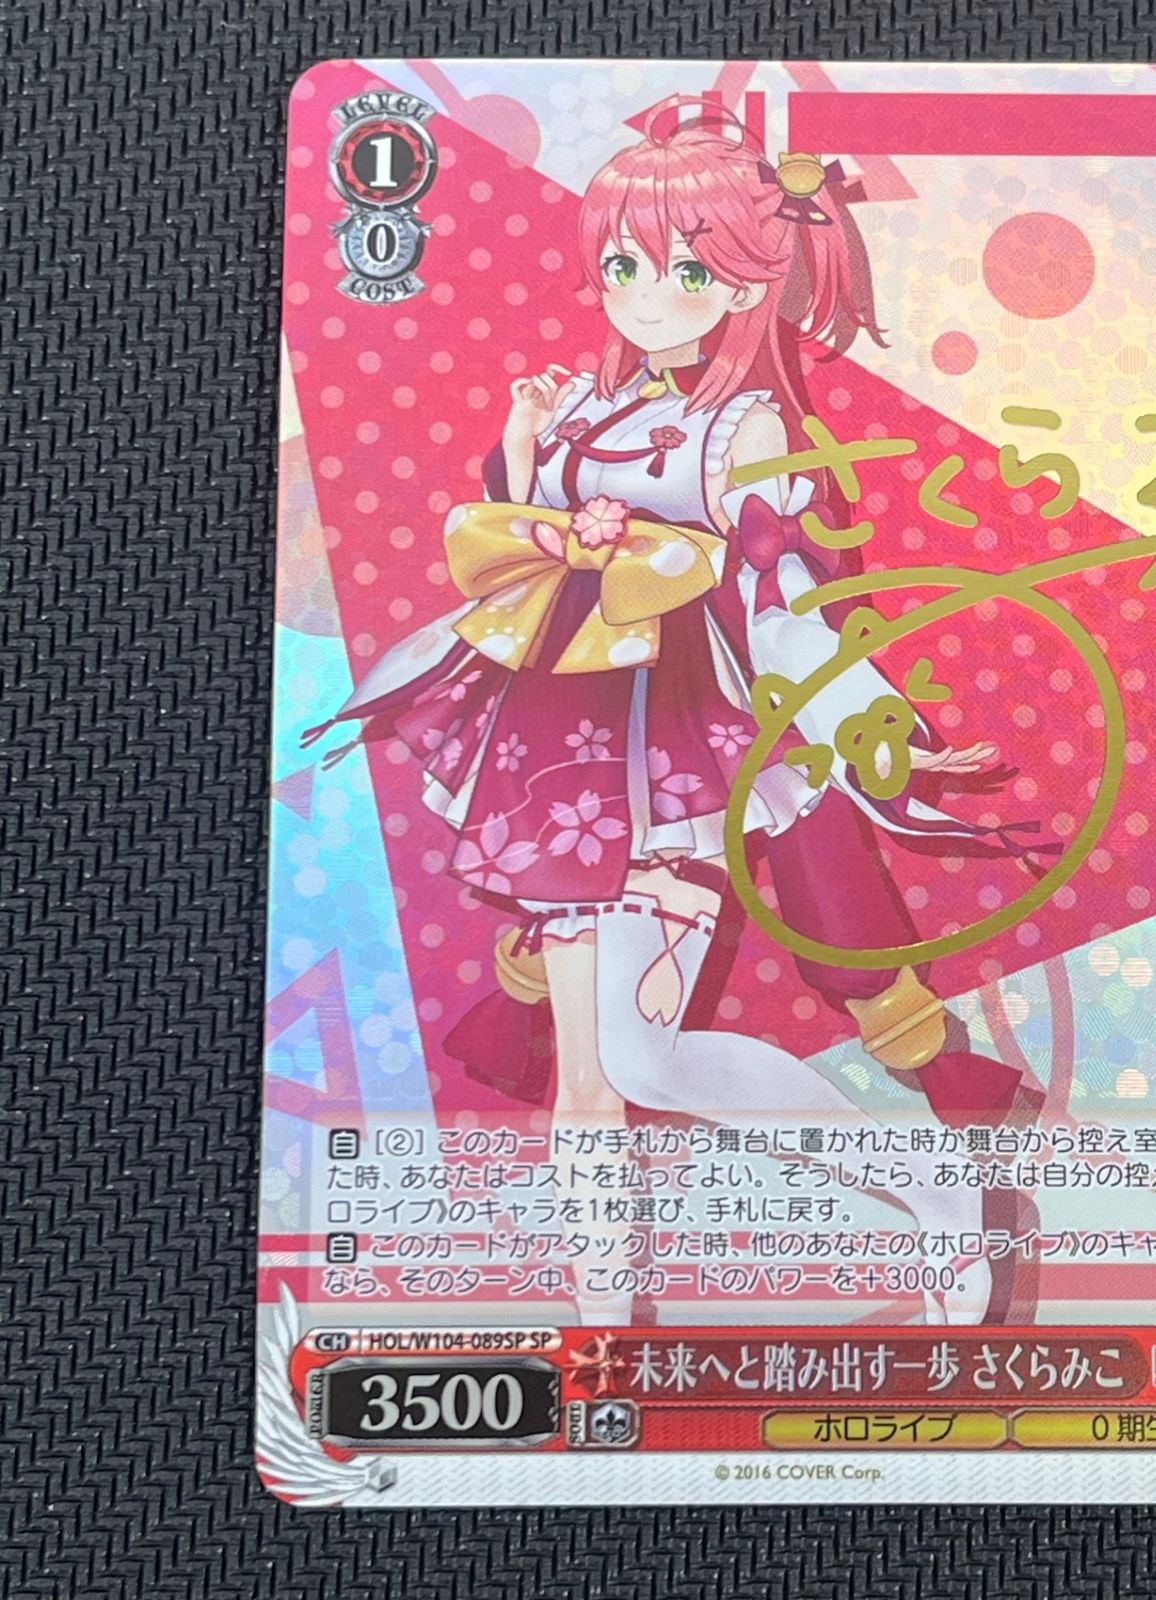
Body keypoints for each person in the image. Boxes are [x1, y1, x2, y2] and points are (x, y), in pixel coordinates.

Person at [305, 98, 1039, 1325]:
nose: (647, 294)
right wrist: (522, 441)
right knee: (593, 1084)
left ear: (746, 280)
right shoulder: (583, 406)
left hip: (674, 751)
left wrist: (873, 728)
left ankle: (933, 1191)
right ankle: (600, 1333)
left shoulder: (744, 428)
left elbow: (785, 599)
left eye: (686, 269)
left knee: (637, 1060)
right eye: (623, 264)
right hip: (553, 747)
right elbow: (520, 543)